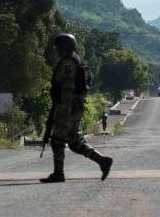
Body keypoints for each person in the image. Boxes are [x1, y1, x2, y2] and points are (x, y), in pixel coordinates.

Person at [41, 34, 113, 184]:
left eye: (58, 47)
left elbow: (67, 89)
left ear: (64, 48)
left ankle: (58, 173)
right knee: (74, 142)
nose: (56, 50)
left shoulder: (68, 64)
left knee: (57, 140)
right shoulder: (75, 60)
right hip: (75, 107)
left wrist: (63, 113)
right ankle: (102, 161)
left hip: (68, 107)